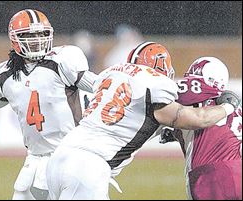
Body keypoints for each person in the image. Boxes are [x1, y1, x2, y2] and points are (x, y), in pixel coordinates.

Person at [45, 42, 241, 199]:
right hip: (88, 168)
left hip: (58, 160)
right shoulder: (153, 86)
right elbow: (198, 118)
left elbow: (130, 117)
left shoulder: (110, 75)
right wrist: (228, 105)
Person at [0, 9, 97, 200]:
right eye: (28, 35)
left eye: (41, 34)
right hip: (34, 160)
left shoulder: (62, 61)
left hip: (72, 156)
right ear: (15, 39)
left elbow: (102, 86)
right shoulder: (6, 74)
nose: (36, 39)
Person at [158, 57, 242, 200]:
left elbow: (195, 117)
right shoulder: (234, 107)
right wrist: (175, 134)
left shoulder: (192, 96)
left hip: (210, 176)